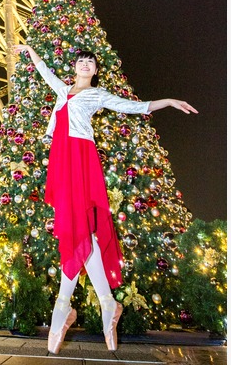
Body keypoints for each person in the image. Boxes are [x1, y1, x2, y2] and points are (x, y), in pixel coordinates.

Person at [11, 43, 197, 354]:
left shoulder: (98, 95)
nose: (85, 64)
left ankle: (62, 308)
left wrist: (167, 102)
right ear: (75, 67)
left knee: (75, 230)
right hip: (61, 159)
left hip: (81, 160)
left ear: (96, 71)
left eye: (90, 62)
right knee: (82, 233)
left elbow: (133, 106)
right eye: (81, 60)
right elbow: (44, 70)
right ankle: (107, 303)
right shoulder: (62, 89)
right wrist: (29, 49)